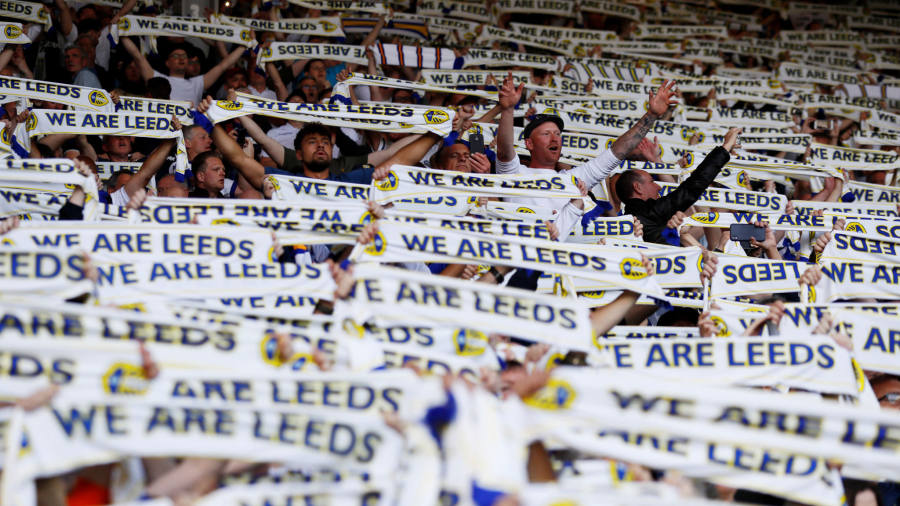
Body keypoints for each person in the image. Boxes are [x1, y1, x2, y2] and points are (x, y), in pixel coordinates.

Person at [496, 72, 677, 239]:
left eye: (558, 134)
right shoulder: (515, 173)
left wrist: (651, 115)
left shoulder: (574, 179)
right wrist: (508, 110)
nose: (555, 138)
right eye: (546, 134)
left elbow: (616, 152)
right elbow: (504, 152)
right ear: (529, 144)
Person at [616, 127, 741, 245]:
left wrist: (657, 160)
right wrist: (726, 146)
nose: (659, 187)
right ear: (638, 187)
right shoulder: (647, 212)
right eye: (652, 182)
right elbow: (691, 188)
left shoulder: (634, 216)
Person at [120, 39, 248, 106]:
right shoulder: (157, 78)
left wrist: (245, 44)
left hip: (191, 133)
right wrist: (122, 31)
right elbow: (137, 56)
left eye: (184, 56)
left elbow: (223, 65)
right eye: (176, 56)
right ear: (167, 63)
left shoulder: (197, 83)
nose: (181, 59)